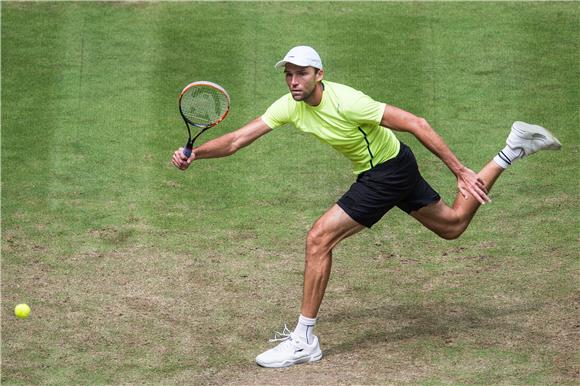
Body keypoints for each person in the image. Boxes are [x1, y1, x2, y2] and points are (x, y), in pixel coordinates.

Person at [171, 46, 561, 368]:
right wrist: (197, 154)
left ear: (319, 74)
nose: (293, 81)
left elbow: (417, 122)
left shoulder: (349, 102)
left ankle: (304, 339)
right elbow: (239, 139)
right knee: (453, 225)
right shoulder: (289, 105)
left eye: (301, 74)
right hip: (393, 166)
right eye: (288, 74)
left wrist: (458, 169)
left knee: (318, 239)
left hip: (386, 172)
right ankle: (513, 147)